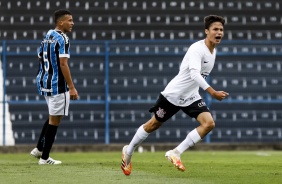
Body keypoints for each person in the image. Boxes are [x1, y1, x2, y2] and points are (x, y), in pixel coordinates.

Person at [121, 15, 229, 175]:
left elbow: (198, 78)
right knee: (153, 125)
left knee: (209, 124)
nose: (219, 32)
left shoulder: (213, 52)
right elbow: (194, 74)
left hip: (191, 96)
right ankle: (128, 152)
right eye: (215, 29)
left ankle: (176, 153)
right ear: (207, 31)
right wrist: (212, 92)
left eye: (221, 29)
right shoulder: (197, 49)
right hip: (173, 95)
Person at [30, 9, 78, 165]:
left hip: (45, 82)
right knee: (55, 121)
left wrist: (46, 73)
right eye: (69, 20)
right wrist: (71, 87)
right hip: (58, 85)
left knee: (53, 116)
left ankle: (38, 149)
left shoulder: (48, 35)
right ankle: (44, 158)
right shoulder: (63, 38)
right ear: (60, 22)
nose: (72, 23)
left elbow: (39, 56)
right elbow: (63, 64)